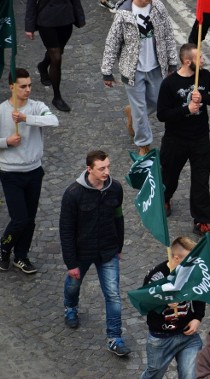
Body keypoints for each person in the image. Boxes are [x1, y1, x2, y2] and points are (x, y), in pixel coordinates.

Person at [59, 150, 131, 356]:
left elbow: (119, 217)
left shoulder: (115, 189)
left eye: (108, 167)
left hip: (108, 251)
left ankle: (114, 338)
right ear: (89, 169)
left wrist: (119, 247)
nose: (107, 172)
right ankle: (70, 307)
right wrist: (71, 263)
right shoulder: (73, 194)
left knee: (113, 296)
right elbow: (66, 230)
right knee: (74, 284)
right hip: (81, 253)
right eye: (102, 168)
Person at [157, 43, 210, 242]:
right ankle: (164, 198)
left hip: (200, 139)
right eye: (199, 58)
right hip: (175, 139)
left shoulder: (205, 77)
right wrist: (186, 110)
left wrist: (205, 97)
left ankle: (201, 220)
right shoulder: (169, 84)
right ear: (187, 61)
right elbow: (162, 114)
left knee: (201, 181)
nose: (204, 61)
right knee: (169, 174)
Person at [102, 0, 178, 157]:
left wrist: (172, 62)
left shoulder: (158, 7)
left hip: (156, 67)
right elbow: (112, 42)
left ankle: (133, 114)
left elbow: (168, 34)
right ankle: (144, 144)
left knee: (159, 102)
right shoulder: (123, 14)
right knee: (140, 109)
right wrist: (107, 72)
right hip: (133, 71)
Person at [0, 68, 58, 274]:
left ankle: (21, 256)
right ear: (11, 87)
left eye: (29, 85)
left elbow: (53, 120)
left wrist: (26, 119)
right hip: (10, 173)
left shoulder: (36, 107)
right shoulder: (1, 111)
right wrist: (7, 141)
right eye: (23, 86)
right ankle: (4, 247)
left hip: (34, 171)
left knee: (30, 219)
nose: (28, 90)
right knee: (20, 218)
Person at [25, 0, 85, 112]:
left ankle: (43, 66)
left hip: (66, 19)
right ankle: (57, 97)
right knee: (56, 57)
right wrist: (29, 26)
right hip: (47, 21)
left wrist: (79, 17)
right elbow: (31, 0)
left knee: (59, 51)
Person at [140, 236, 205, 379]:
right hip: (161, 339)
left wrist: (197, 317)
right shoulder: (155, 277)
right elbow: (144, 303)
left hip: (187, 336)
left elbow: (200, 293)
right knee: (154, 374)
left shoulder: (193, 272)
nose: (194, 264)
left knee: (190, 376)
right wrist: (163, 301)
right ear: (176, 258)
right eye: (190, 260)